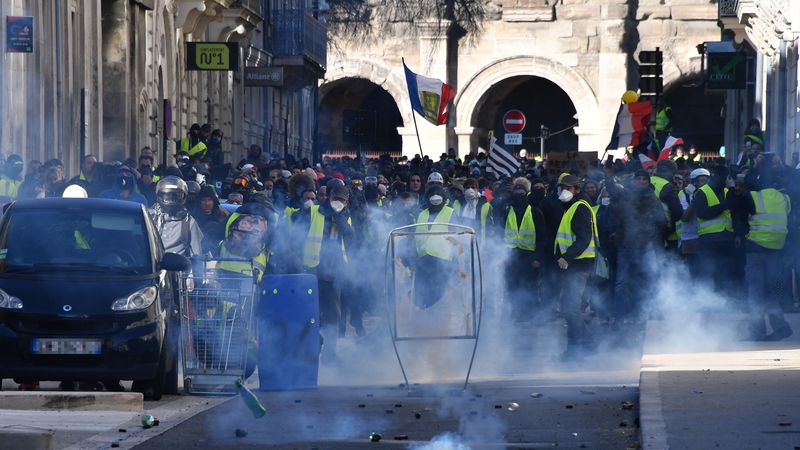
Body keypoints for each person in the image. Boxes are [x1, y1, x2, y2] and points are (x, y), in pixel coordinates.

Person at [735, 154, 794, 341]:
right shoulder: (785, 199)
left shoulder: (752, 197)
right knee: (767, 290)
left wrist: (755, 166)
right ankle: (781, 325)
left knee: (755, 292)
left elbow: (746, 185)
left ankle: (757, 332)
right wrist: (782, 167)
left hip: (757, 249)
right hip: (776, 250)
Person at [294, 184, 355, 361]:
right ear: (328, 197)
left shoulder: (346, 217)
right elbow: (296, 237)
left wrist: (345, 226)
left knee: (333, 315)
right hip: (312, 271)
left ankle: (330, 355)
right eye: (335, 199)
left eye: (342, 200)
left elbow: (352, 242)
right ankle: (308, 350)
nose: (338, 203)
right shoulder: (312, 212)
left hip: (334, 274)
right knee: (308, 313)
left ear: (346, 201)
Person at [552, 175, 598, 361]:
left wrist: (567, 257)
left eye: (568, 188)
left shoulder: (579, 208)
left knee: (570, 309)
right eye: (561, 187)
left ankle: (575, 352)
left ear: (577, 190)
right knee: (567, 308)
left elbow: (584, 237)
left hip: (578, 265)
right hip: (574, 266)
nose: (563, 191)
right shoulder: (572, 207)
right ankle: (588, 346)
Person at [501, 178, 546, 322]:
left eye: (522, 192)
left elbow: (541, 237)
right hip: (511, 256)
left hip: (529, 256)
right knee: (511, 286)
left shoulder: (535, 212)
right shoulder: (507, 211)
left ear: (526, 194)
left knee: (530, 286)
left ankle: (531, 315)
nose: (519, 195)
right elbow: (499, 234)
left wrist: (537, 258)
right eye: (516, 192)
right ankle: (513, 312)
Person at [412, 184, 459, 310]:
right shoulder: (422, 214)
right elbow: (415, 237)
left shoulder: (451, 213)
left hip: (442, 264)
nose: (435, 196)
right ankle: (423, 326)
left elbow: (457, 240)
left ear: (444, 197)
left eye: (438, 193)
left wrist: (456, 262)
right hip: (423, 262)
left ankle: (438, 327)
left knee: (438, 300)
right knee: (421, 298)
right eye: (432, 194)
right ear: (427, 197)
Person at [694, 164, 734, 293]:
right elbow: (702, 213)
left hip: (727, 238)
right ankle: (708, 300)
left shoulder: (727, 191)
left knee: (726, 271)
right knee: (709, 271)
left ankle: (725, 299)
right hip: (709, 239)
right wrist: (723, 206)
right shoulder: (702, 192)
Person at [150, 176, 202, 257]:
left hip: (180, 269)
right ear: (159, 195)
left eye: (176, 195)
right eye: (166, 194)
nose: (171, 198)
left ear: (184, 196)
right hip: (155, 267)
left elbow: (197, 255)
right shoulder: (151, 220)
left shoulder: (189, 222)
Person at [680, 168, 710, 275]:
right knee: (691, 273)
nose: (704, 184)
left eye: (706, 181)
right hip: (690, 238)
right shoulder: (685, 196)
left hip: (706, 237)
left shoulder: (710, 194)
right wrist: (695, 200)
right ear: (694, 183)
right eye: (701, 181)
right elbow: (684, 217)